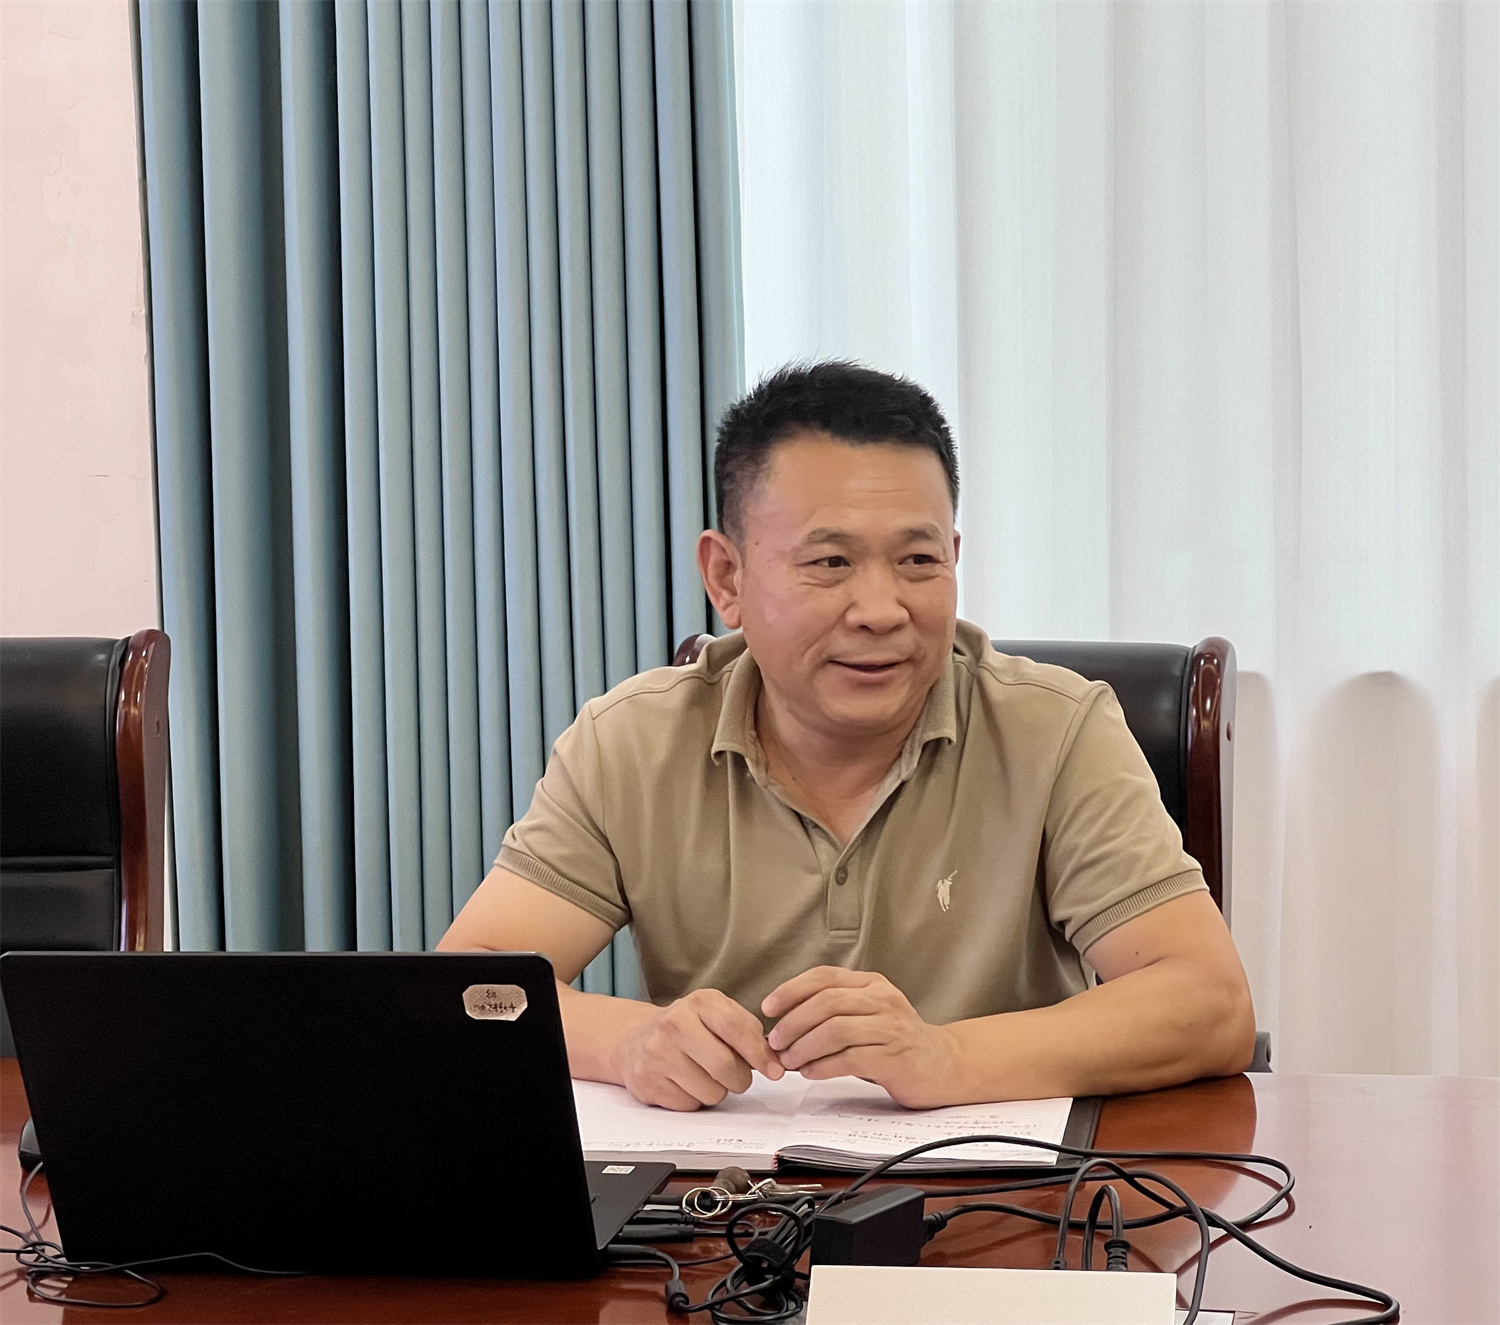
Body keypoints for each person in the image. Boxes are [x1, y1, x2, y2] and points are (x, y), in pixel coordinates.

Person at [439, 361, 1255, 1112]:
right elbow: (469, 992)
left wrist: (945, 1057)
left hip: (1004, 1198)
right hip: (721, 1204)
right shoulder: (631, 743)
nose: (881, 609)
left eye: (918, 561)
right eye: (830, 563)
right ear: (726, 576)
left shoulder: (1056, 731)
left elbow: (1210, 1003)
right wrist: (630, 1042)